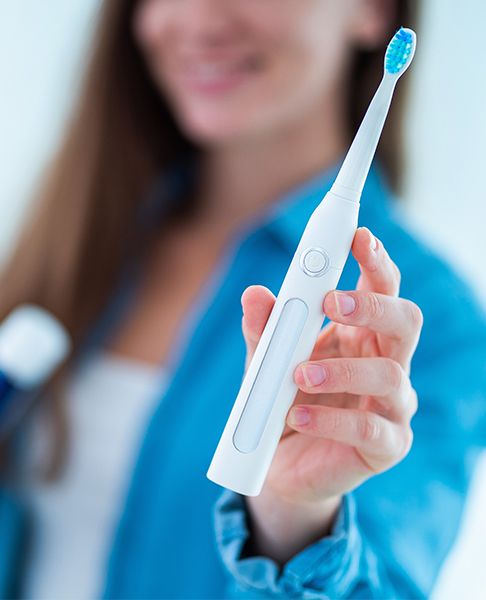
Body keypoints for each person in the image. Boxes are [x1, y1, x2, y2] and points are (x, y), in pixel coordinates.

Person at [0, 0, 485, 598]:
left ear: (373, 10)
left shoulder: (422, 321)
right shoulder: (74, 243)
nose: (199, 19)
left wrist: (295, 518)